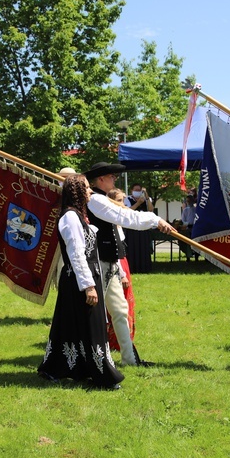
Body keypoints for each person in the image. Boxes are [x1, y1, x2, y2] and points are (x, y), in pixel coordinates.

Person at [38, 174, 124, 390]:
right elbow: (76, 254)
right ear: (76, 191)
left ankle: (58, 368)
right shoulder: (70, 218)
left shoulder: (80, 217)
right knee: (90, 327)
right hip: (79, 281)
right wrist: (88, 287)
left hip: (85, 278)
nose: (90, 191)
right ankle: (102, 374)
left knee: (68, 326)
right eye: (86, 188)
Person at [84, 162, 175, 366]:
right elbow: (124, 216)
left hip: (110, 263)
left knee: (120, 310)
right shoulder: (96, 200)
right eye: (111, 176)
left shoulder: (102, 199)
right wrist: (155, 220)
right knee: (93, 314)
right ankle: (90, 359)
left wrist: (154, 220)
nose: (115, 179)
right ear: (100, 179)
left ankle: (130, 359)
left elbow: (123, 215)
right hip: (98, 265)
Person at [105, 188, 136, 351]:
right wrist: (121, 274)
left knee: (127, 301)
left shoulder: (117, 221)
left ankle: (125, 338)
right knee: (118, 302)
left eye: (123, 200)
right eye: (118, 200)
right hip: (117, 264)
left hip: (123, 261)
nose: (122, 204)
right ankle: (114, 340)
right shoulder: (108, 221)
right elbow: (114, 250)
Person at [123, 183, 155, 273]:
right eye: (135, 190)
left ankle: (145, 268)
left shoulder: (146, 199)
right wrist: (138, 203)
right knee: (133, 248)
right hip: (132, 228)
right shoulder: (127, 199)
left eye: (139, 190)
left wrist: (147, 197)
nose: (137, 192)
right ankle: (133, 268)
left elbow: (150, 209)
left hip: (144, 227)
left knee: (144, 248)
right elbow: (128, 211)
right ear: (131, 191)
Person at [179, 194, 200, 261]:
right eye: (187, 201)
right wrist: (187, 224)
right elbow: (183, 220)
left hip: (196, 229)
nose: (189, 202)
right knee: (186, 241)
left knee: (196, 242)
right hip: (188, 229)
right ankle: (188, 256)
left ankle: (196, 256)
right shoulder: (185, 210)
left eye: (190, 200)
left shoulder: (197, 209)